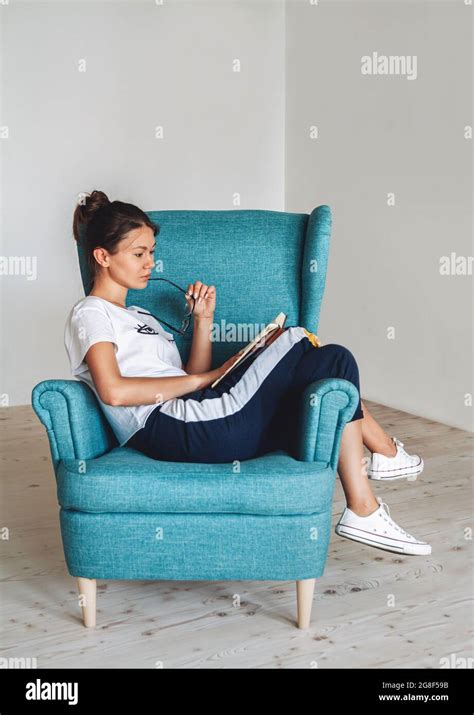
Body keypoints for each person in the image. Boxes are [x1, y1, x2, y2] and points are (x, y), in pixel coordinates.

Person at [64, 190, 432, 557]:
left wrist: (203, 321)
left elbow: (189, 378)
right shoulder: (92, 313)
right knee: (295, 337)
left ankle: (368, 494)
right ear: (103, 256)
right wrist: (203, 380)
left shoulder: (143, 317)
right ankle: (381, 464)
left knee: (333, 361)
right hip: (171, 428)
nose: (150, 263)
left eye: (152, 252)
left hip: (204, 415)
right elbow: (113, 391)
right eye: (139, 254)